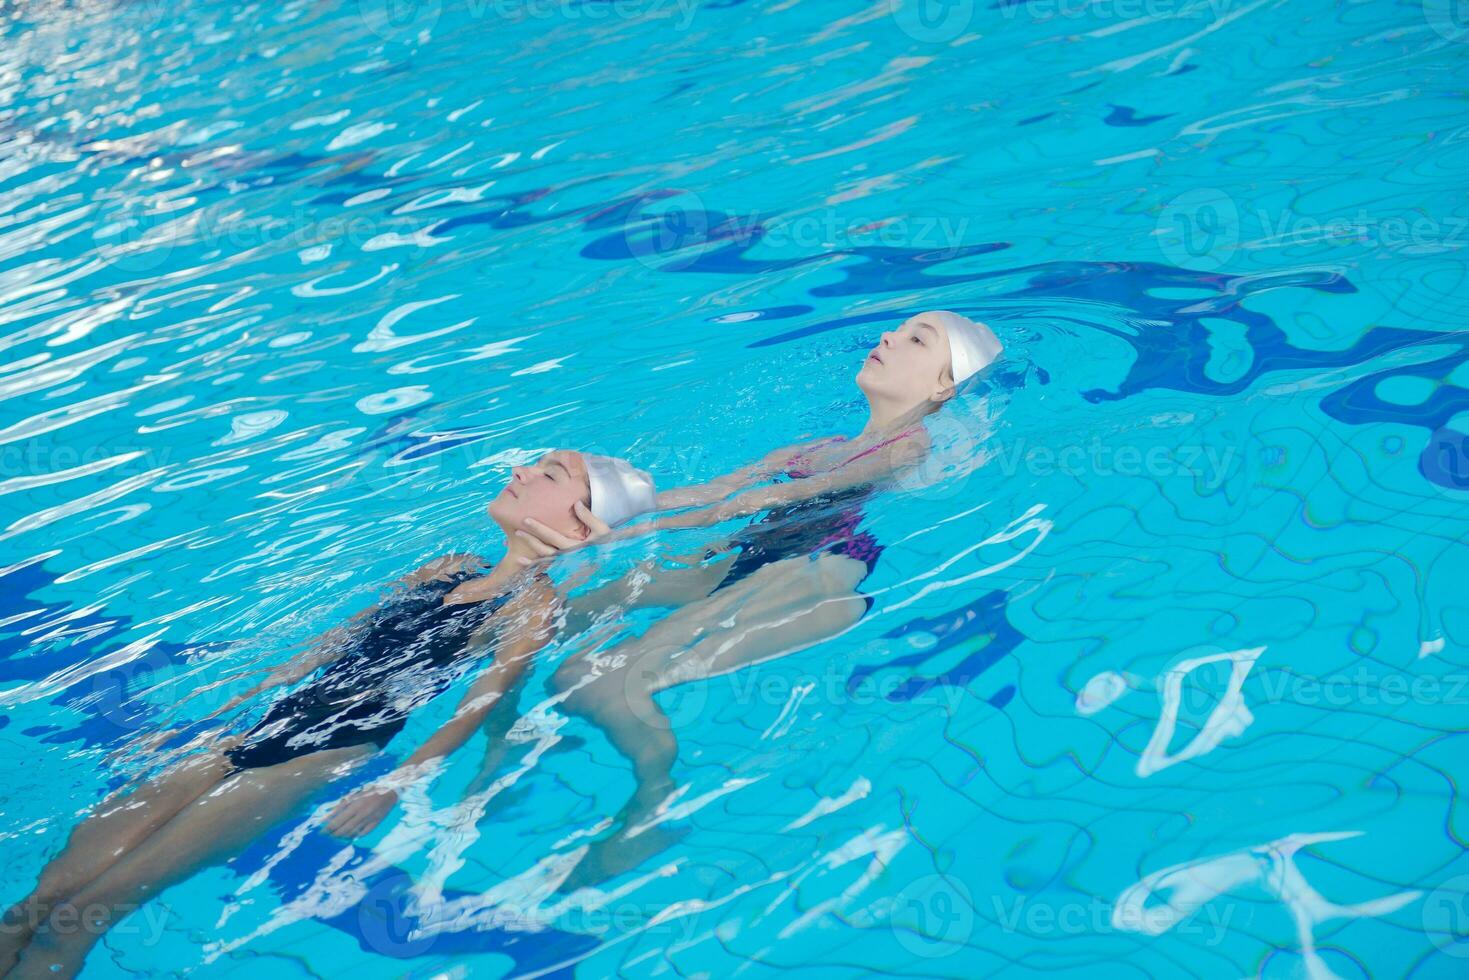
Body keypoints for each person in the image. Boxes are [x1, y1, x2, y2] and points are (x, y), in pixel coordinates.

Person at [0, 450, 657, 979]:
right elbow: (326, 648)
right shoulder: (448, 565)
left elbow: (478, 702)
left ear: (578, 523)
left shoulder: (530, 609)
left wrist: (396, 782)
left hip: (319, 755)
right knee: (34, 904)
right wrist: (214, 722)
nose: (517, 471)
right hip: (256, 731)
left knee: (83, 915)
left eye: (545, 474)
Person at [513, 311, 1003, 887]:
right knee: (567, 614)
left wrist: (631, 535)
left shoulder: (907, 445)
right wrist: (600, 512)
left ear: (945, 385)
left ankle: (649, 814)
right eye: (895, 329)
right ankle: (505, 737)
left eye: (918, 339)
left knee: (612, 680)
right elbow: (715, 491)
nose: (888, 336)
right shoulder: (820, 443)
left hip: (814, 572)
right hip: (747, 559)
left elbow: (782, 496)